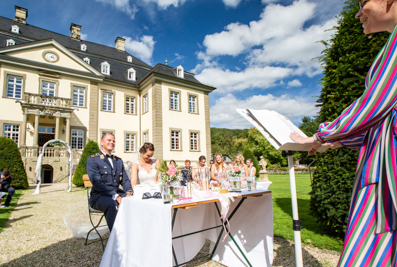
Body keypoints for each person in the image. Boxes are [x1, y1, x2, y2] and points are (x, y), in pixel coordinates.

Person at [290, 1, 397, 265]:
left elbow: (374, 102)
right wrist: (336, 141)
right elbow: (382, 121)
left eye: (364, 3)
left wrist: (321, 135)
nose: (358, 13)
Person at [86, 133, 133, 231]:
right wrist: (115, 196)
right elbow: (97, 183)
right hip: (99, 196)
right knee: (112, 204)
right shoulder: (93, 160)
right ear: (102, 142)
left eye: (113, 141)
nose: (111, 142)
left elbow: (125, 180)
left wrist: (129, 192)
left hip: (117, 193)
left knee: (135, 200)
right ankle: (117, 238)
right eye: (109, 140)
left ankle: (132, 232)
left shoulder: (118, 161)